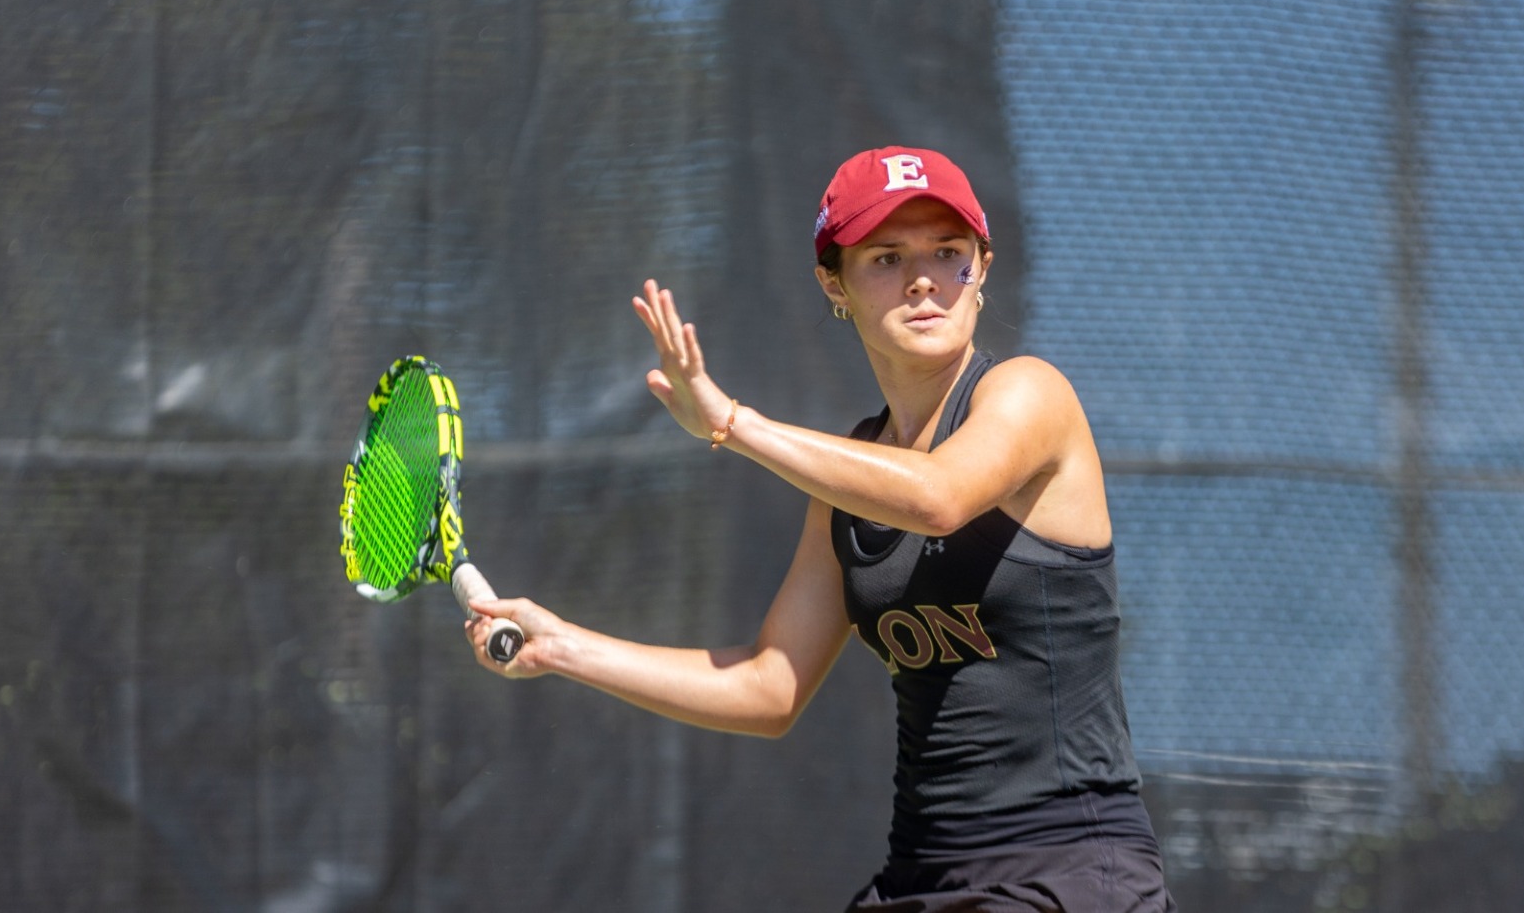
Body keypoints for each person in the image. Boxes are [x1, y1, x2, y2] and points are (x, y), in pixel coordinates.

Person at [466, 146, 1175, 912]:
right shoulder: (850, 480)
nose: (924, 278)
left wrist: (732, 424)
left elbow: (939, 496)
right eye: (886, 256)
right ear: (833, 284)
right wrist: (563, 646)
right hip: (922, 871)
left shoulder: (1031, 396)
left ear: (983, 268)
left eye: (949, 252)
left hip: (1069, 872)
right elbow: (771, 686)